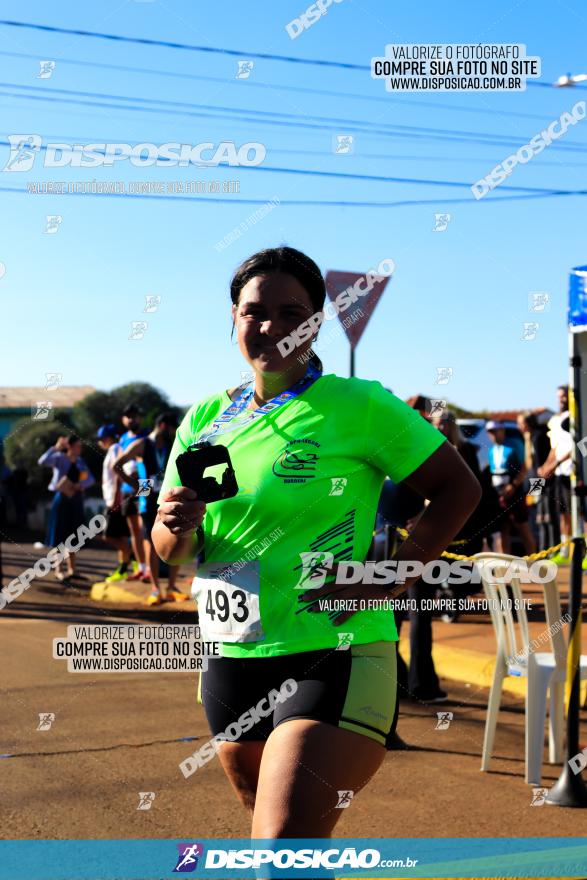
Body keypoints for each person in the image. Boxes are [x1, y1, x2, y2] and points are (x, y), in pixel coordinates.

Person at [152, 246, 481, 845]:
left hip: (336, 649)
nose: (271, 326)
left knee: (279, 844)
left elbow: (458, 489)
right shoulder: (203, 419)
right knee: (288, 846)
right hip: (233, 655)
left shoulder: (357, 404)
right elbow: (173, 552)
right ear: (233, 317)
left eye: (291, 312)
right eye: (255, 311)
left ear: (315, 322)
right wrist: (174, 523)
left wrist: (387, 580)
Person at [114, 412, 185, 605]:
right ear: (162, 425)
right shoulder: (143, 444)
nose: (172, 432)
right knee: (151, 543)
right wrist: (137, 486)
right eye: (170, 428)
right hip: (147, 500)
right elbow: (117, 466)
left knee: (177, 539)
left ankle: (171, 588)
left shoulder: (172, 445)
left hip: (168, 497)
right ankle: (155, 589)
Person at [38, 434, 95, 581]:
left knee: (74, 534)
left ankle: (72, 569)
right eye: (77, 446)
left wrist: (80, 485)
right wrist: (56, 447)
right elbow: (42, 461)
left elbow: (90, 479)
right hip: (62, 498)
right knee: (60, 534)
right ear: (69, 446)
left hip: (75, 499)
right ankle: (58, 569)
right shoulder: (59, 457)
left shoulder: (81, 462)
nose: (79, 449)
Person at [486, 420, 535, 555]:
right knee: (503, 528)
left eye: (496, 431)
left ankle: (534, 560)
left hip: (514, 491)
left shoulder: (514, 445)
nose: (493, 435)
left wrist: (513, 485)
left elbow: (525, 466)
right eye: (490, 432)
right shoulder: (491, 450)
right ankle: (505, 562)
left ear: (502, 431)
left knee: (521, 525)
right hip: (499, 493)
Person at [538, 386, 573, 565]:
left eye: (564, 396)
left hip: (574, 471)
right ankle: (565, 551)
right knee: (563, 513)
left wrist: (557, 463)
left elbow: (580, 444)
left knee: (581, 514)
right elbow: (555, 446)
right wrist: (546, 466)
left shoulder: (576, 416)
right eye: (559, 397)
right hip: (560, 473)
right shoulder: (555, 420)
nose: (561, 399)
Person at [96, 424, 132, 583]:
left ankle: (133, 557)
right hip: (113, 498)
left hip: (115, 499)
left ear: (110, 438)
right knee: (119, 535)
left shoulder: (116, 448)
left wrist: (116, 498)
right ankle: (124, 568)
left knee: (109, 535)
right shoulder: (113, 450)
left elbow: (118, 473)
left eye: (103, 439)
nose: (100, 442)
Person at [517, 410, 557, 551]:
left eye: (521, 423)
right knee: (537, 516)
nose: (519, 427)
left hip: (542, 480)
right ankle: (542, 548)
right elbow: (529, 463)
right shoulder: (530, 438)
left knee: (544, 515)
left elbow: (539, 463)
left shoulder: (539, 437)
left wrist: (538, 485)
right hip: (534, 480)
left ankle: (549, 548)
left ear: (528, 423)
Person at [118, 403, 149, 581]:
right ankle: (141, 567)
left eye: (135, 415)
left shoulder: (146, 437)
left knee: (145, 529)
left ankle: (150, 570)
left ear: (140, 418)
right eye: (128, 416)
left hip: (144, 486)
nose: (131, 419)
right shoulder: (122, 438)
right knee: (133, 531)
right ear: (124, 419)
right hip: (127, 488)